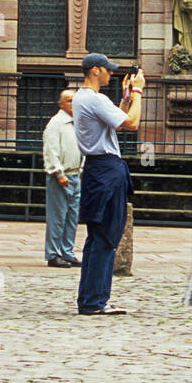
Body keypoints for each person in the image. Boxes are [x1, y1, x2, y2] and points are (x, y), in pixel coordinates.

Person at [72, 53, 143, 315]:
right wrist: (138, 92)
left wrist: (125, 99)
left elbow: (117, 122)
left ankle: (90, 299)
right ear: (95, 71)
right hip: (107, 169)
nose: (111, 74)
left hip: (96, 168)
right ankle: (95, 301)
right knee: (107, 236)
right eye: (108, 70)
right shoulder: (95, 98)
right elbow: (132, 123)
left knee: (97, 237)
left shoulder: (81, 98)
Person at [42, 89, 84, 268]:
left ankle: (67, 251)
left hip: (76, 174)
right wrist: (58, 173)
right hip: (62, 176)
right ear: (61, 104)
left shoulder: (76, 123)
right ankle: (53, 254)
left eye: (74, 100)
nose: (72, 104)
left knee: (72, 217)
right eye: (69, 101)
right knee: (57, 217)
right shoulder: (55, 123)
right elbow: (51, 150)